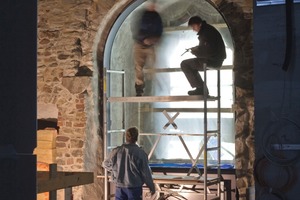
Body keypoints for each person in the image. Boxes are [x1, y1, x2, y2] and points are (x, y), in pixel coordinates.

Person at [102, 126, 156, 200]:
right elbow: (146, 173)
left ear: (126, 137)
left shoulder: (117, 151)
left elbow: (105, 164)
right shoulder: (140, 153)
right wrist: (151, 187)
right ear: (137, 137)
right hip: (134, 187)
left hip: (120, 187)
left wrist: (115, 169)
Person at [180, 16, 226, 96]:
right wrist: (198, 49)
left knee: (185, 64)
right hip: (216, 59)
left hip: (212, 60)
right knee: (191, 65)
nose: (193, 29)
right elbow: (208, 48)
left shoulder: (206, 33)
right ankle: (201, 89)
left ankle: (201, 89)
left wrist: (195, 51)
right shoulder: (208, 30)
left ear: (199, 24)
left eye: (193, 26)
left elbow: (208, 51)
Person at [132, 2, 163, 96]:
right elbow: (135, 28)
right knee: (138, 66)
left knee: (152, 65)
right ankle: (139, 87)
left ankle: (152, 83)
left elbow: (159, 32)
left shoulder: (157, 18)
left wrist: (153, 40)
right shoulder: (141, 15)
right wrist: (144, 38)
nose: (153, 6)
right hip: (139, 44)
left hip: (150, 46)